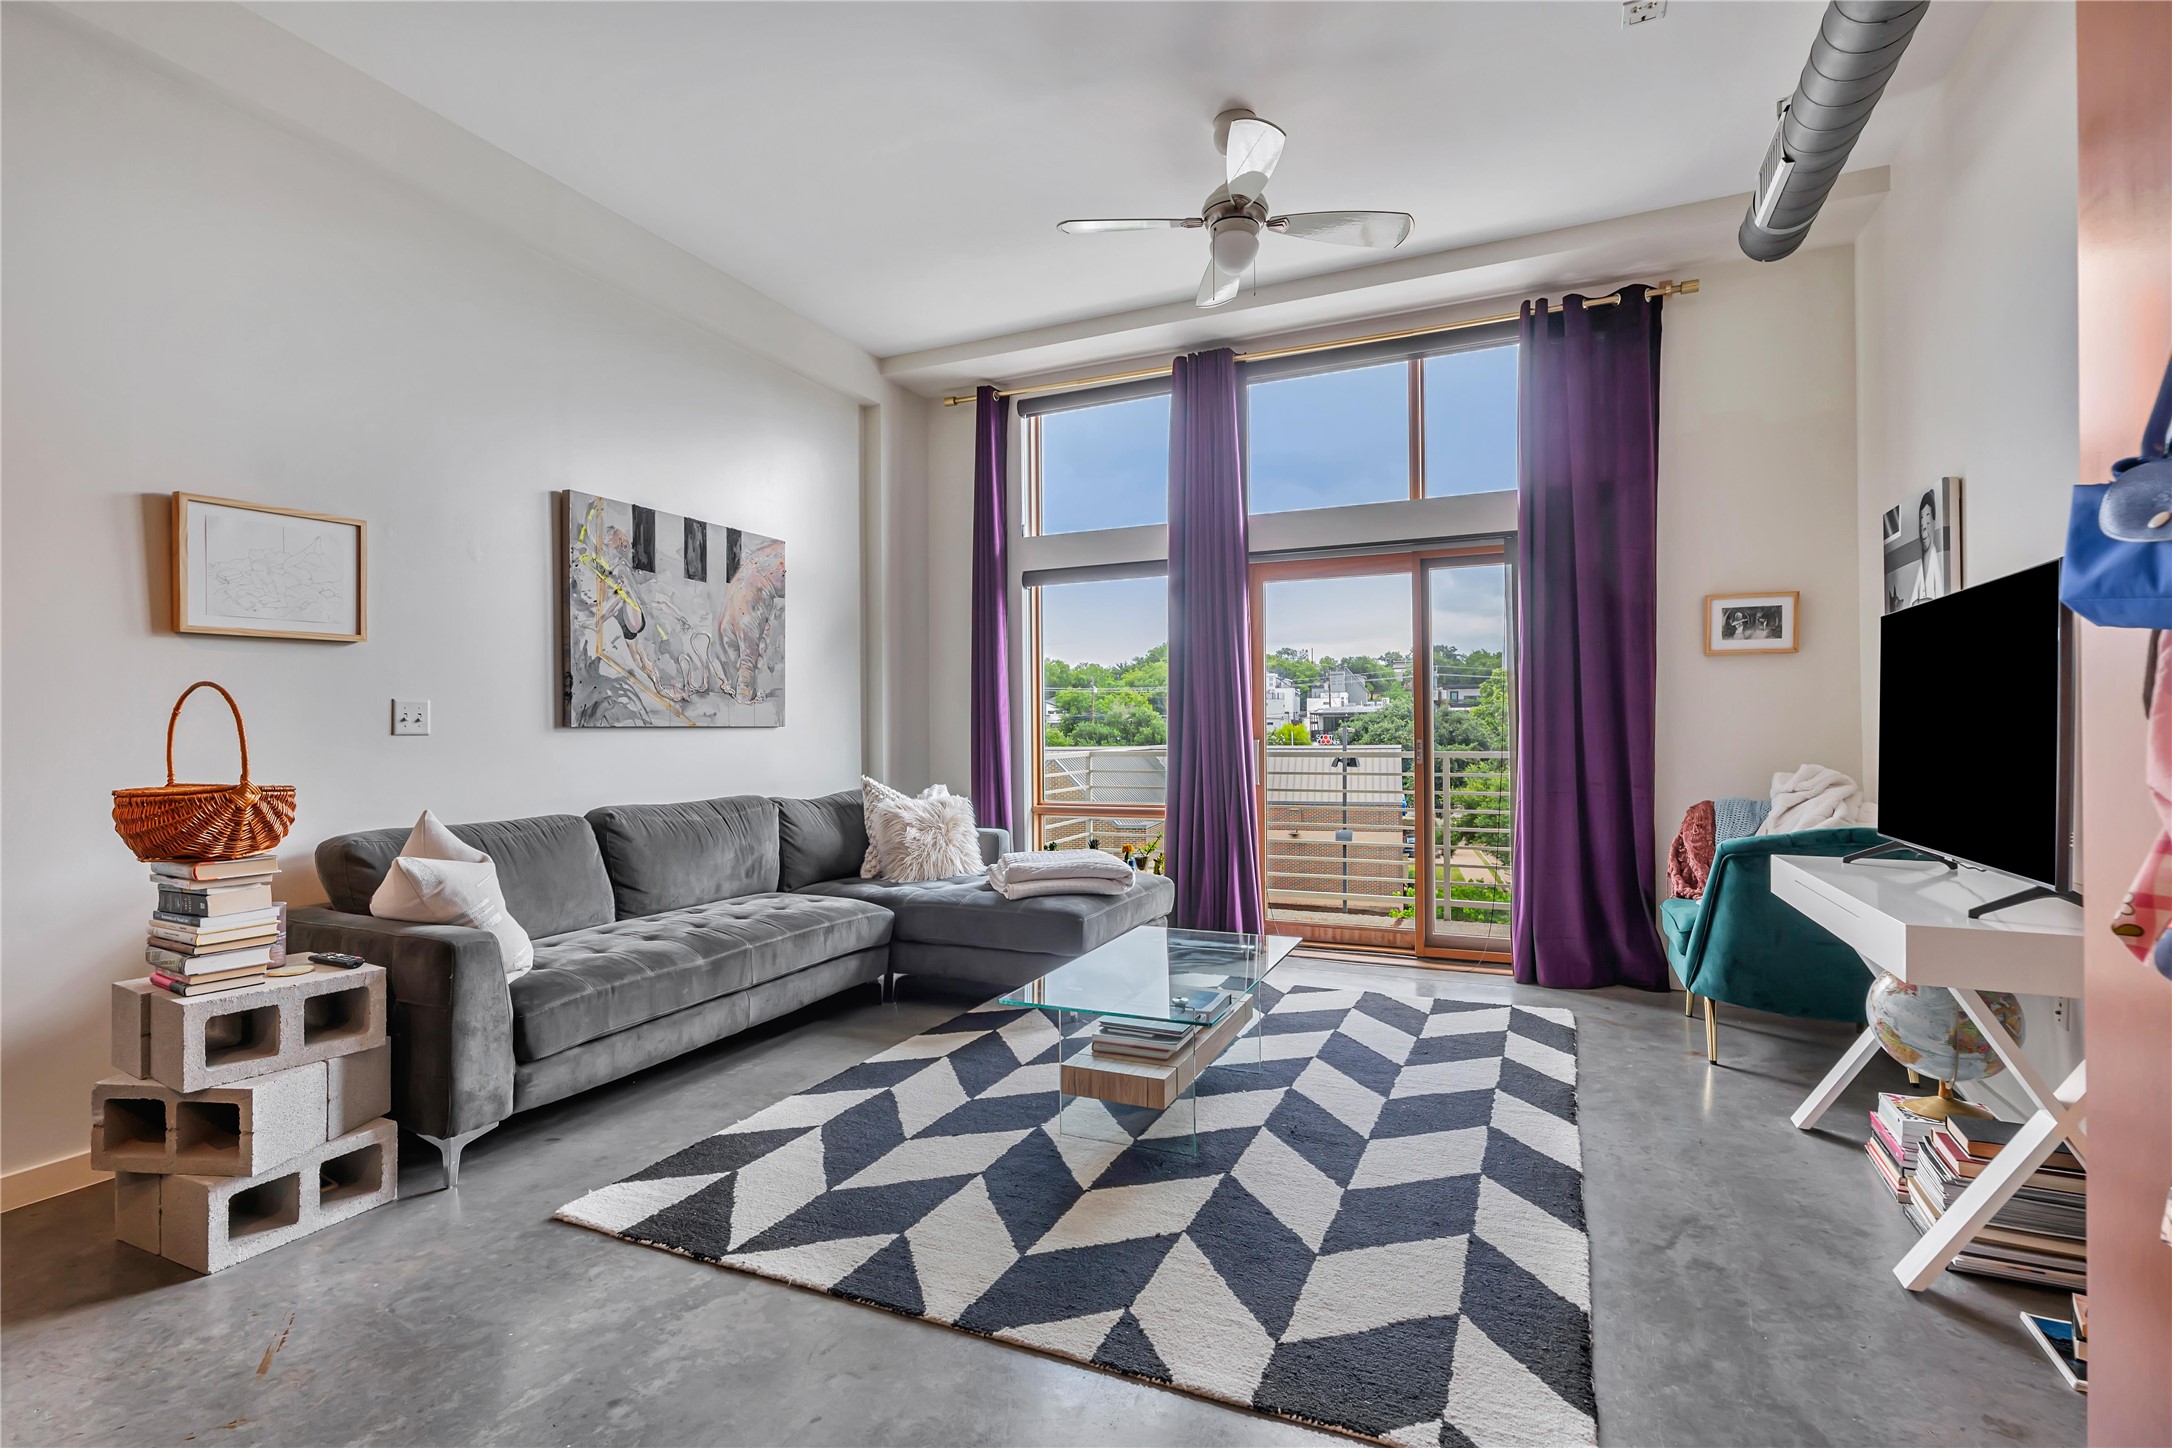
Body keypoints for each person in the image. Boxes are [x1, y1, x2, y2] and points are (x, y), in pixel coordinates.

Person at [1909, 489, 1946, 604]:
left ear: (1934, 523)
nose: (1924, 529)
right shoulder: (1921, 569)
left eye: (1927, 523)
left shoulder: (1938, 566)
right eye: (1921, 524)